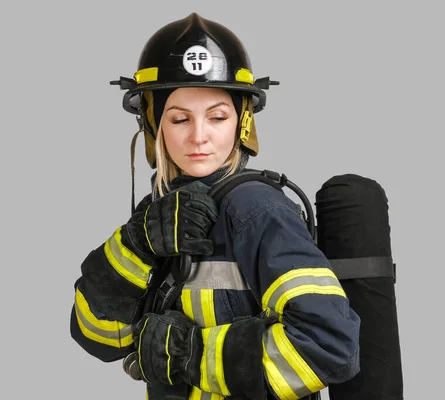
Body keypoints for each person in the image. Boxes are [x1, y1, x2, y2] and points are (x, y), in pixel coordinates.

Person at [69, 12, 361, 400]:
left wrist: (192, 356)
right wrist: (137, 243)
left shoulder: (258, 211)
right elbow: (98, 337)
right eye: (179, 119)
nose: (199, 136)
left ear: (242, 122)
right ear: (153, 124)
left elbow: (329, 346)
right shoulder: (155, 212)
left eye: (218, 117)